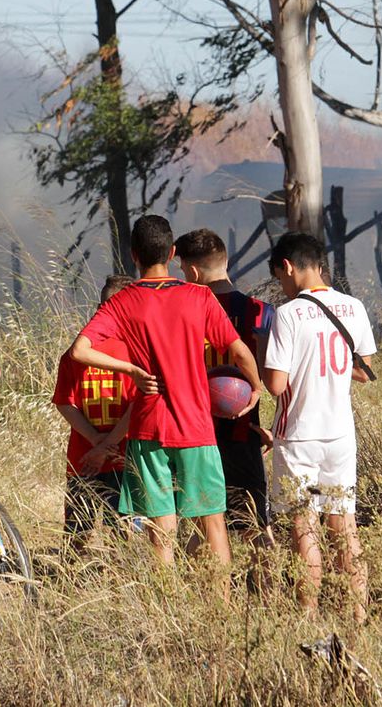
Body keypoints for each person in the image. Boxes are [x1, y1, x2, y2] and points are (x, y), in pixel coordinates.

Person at [67, 215, 263, 567]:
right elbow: (239, 352)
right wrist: (256, 390)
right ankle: (222, 606)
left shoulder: (123, 301)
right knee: (212, 522)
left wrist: (131, 370)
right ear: (172, 253)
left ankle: (168, 605)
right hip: (196, 428)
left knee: (161, 530)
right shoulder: (199, 296)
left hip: (148, 429)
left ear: (133, 256)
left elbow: (80, 350)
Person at [263, 232, 374, 622]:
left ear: (288, 267)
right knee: (344, 525)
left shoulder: (289, 314)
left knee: (303, 526)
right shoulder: (353, 306)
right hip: (341, 432)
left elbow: (276, 385)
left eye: (280, 277)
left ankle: (307, 613)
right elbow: (364, 369)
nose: (282, 284)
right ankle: (357, 614)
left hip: (298, 434)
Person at [174, 228, 276, 546]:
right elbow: (270, 376)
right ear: (226, 261)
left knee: (203, 524)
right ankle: (266, 593)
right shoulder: (259, 312)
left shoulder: (181, 312)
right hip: (246, 430)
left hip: (198, 434)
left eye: (181, 269)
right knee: (256, 525)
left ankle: (199, 592)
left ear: (192, 271)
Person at [52, 274, 138, 548]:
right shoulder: (135, 353)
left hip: (84, 456)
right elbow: (138, 406)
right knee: (123, 535)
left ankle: (71, 583)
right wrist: (106, 446)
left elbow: (65, 403)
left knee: (78, 533)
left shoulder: (76, 351)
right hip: (121, 456)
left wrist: (94, 442)